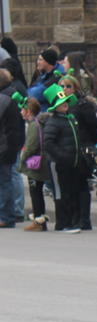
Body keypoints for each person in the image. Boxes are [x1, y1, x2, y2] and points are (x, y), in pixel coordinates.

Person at [61, 74, 97, 230]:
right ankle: (75, 217)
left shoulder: (82, 105)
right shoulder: (63, 104)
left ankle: (84, 218)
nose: (65, 89)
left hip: (82, 149)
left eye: (68, 86)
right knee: (71, 185)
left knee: (81, 184)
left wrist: (87, 142)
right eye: (62, 86)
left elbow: (95, 128)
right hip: (69, 149)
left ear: (75, 88)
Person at [42, 84, 84, 232]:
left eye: (65, 100)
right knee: (61, 194)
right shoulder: (53, 122)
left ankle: (70, 222)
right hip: (59, 164)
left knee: (71, 193)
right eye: (61, 102)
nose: (65, 104)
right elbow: (48, 143)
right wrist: (62, 157)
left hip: (72, 163)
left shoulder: (70, 119)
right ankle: (62, 223)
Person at [17, 96, 51, 231]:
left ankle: (38, 221)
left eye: (22, 110)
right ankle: (40, 220)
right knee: (38, 191)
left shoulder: (33, 126)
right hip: (44, 162)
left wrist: (22, 159)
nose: (21, 112)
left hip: (37, 165)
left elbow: (31, 146)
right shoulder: (39, 123)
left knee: (35, 192)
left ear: (29, 111)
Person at [0, 70, 24, 228]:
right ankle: (7, 215)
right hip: (10, 145)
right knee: (6, 181)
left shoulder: (3, 99)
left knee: (4, 182)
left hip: (4, 146)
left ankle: (5, 216)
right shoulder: (13, 96)